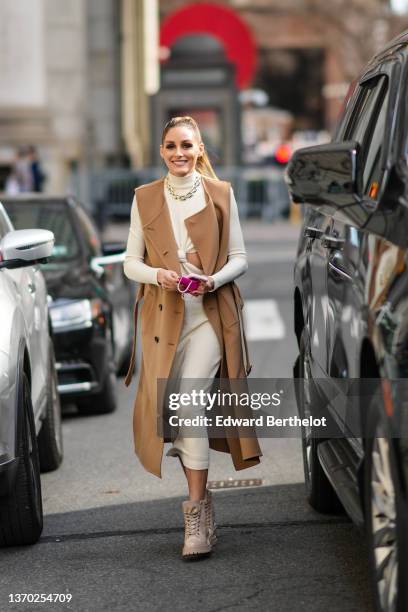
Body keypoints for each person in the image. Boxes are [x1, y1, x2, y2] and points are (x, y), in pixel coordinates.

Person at [123, 116, 262, 559]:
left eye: (186, 145)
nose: (178, 153)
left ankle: (196, 514)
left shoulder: (221, 195)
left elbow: (240, 257)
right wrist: (158, 273)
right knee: (179, 414)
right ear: (161, 151)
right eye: (170, 146)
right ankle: (202, 500)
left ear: (200, 149)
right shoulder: (144, 198)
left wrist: (214, 279)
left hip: (208, 318)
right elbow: (129, 263)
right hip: (164, 322)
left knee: (187, 403)